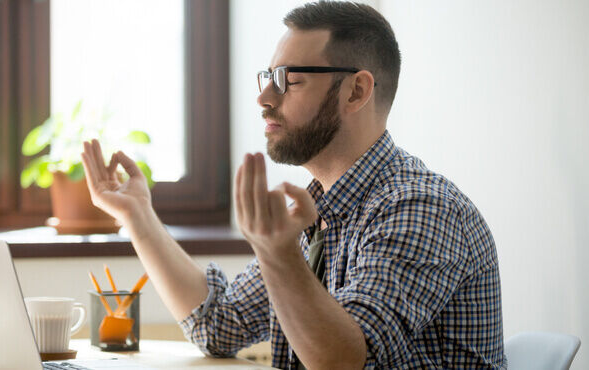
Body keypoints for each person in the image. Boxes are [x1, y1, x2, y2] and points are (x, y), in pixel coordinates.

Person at [80, 2, 506, 369]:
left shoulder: (419, 207)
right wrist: (137, 217)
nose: (265, 97)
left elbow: (342, 361)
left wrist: (278, 253)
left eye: (290, 80)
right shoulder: (319, 212)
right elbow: (217, 324)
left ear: (356, 91)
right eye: (267, 77)